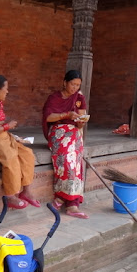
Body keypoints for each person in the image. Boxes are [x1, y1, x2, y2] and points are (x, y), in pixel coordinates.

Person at [0, 75, 41, 210]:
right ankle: (11, 195)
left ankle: (26, 191)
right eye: (6, 89)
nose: (7, 92)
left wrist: (1, 126)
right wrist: (6, 126)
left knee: (27, 153)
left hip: (4, 136)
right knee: (11, 158)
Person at [41, 70, 89, 219]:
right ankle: (67, 201)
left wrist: (80, 122)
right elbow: (48, 117)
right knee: (67, 160)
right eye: (72, 84)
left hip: (74, 132)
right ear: (64, 82)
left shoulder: (79, 98)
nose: (75, 88)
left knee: (75, 160)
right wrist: (66, 115)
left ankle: (66, 201)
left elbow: (81, 122)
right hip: (58, 132)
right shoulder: (54, 97)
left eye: (78, 85)